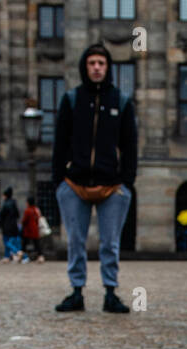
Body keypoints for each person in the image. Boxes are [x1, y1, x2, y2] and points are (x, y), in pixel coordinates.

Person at [52, 42, 136, 314]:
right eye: (92, 63)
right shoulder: (72, 100)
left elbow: (131, 145)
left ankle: (110, 292)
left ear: (108, 67)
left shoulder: (121, 102)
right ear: (84, 67)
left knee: (110, 243)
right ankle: (76, 291)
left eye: (101, 63)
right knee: (76, 241)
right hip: (75, 184)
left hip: (112, 186)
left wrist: (126, 181)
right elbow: (60, 142)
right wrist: (59, 181)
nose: (97, 68)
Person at [0, 187, 22, 263]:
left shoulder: (6, 204)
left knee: (6, 241)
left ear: (5, 195)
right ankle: (6, 257)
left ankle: (17, 251)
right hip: (14, 225)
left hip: (6, 226)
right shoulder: (14, 203)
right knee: (10, 240)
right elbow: (17, 215)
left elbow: (1, 215)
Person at [21, 195, 46, 263]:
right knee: (37, 244)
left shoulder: (27, 210)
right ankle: (41, 257)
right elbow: (38, 218)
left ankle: (20, 257)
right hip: (35, 229)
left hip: (28, 230)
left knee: (24, 244)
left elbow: (24, 221)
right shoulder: (36, 209)